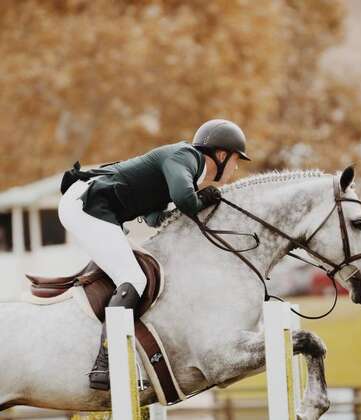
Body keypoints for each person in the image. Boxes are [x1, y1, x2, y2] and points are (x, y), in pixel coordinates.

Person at [57, 119, 251, 390]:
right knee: (134, 280)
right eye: (236, 159)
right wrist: (207, 196)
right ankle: (105, 364)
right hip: (87, 204)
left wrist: (186, 207)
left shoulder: (183, 167)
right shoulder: (185, 157)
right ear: (221, 155)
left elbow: (153, 218)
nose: (236, 167)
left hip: (94, 205)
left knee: (135, 275)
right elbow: (186, 201)